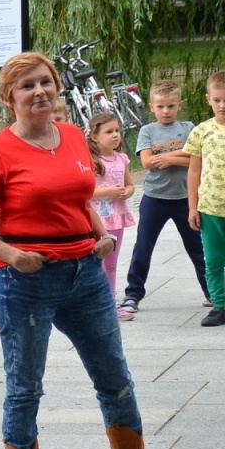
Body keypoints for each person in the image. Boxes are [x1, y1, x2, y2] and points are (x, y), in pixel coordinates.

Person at [0, 52, 184, 449]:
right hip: (24, 279)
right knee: (25, 388)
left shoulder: (71, 138)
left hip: (85, 274)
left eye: (46, 82)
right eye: (27, 86)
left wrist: (97, 232)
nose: (39, 91)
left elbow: (81, 198)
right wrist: (14, 255)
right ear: (9, 98)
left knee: (115, 377)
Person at [121, 80, 207, 315]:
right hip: (154, 198)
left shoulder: (189, 128)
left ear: (180, 105)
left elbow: (199, 159)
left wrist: (169, 159)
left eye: (171, 106)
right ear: (151, 107)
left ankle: (213, 293)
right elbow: (148, 162)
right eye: (160, 107)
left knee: (197, 248)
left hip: (185, 199)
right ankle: (133, 294)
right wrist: (182, 156)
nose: (166, 111)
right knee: (143, 247)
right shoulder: (148, 131)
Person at [185, 70, 225, 326]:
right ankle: (218, 307)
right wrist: (192, 207)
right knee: (214, 261)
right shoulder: (201, 131)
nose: (222, 105)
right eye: (217, 100)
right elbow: (194, 171)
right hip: (210, 208)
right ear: (208, 99)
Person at [88, 114, 136, 314]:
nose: (115, 135)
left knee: (112, 263)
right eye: (109, 131)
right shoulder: (91, 161)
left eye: (117, 130)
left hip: (116, 217)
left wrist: (127, 192)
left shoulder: (121, 159)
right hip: (97, 219)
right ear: (95, 136)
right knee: (94, 262)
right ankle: (93, 302)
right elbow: (86, 191)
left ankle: (110, 303)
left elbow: (130, 185)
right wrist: (108, 192)